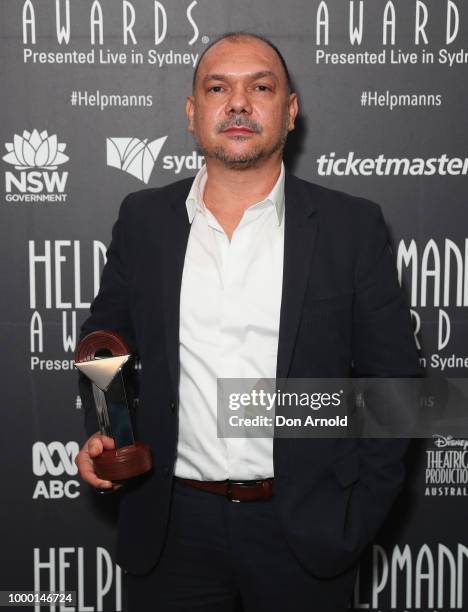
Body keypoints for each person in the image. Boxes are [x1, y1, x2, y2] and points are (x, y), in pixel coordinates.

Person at [75, 31, 421, 612]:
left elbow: (396, 387)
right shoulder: (144, 220)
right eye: (218, 88)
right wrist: (106, 429)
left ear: (289, 111)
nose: (238, 103)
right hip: (169, 529)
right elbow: (103, 344)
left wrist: (354, 516)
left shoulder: (351, 227)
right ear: (193, 112)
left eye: (260, 87)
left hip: (307, 534)